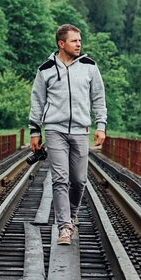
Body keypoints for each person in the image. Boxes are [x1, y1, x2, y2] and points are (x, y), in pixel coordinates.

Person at [29, 24, 107, 245]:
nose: (79, 44)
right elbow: (37, 101)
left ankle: (72, 214)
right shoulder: (45, 70)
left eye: (80, 40)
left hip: (81, 130)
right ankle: (64, 226)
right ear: (61, 44)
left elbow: (99, 99)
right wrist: (35, 132)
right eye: (74, 41)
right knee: (60, 179)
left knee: (79, 180)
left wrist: (100, 126)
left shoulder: (90, 67)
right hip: (55, 130)